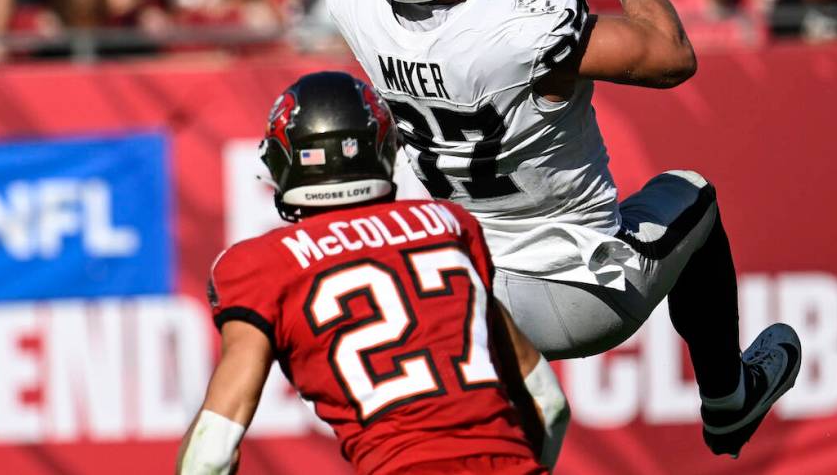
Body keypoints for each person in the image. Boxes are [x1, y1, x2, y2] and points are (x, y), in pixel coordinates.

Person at [325, 0, 801, 458]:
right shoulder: (516, 24)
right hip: (573, 290)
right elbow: (671, 55)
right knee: (694, 196)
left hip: (456, 293)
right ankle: (729, 400)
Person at [177, 72, 569, 475]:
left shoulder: (261, 264)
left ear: (285, 158)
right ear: (382, 147)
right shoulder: (447, 225)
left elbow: (213, 454)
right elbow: (547, 401)